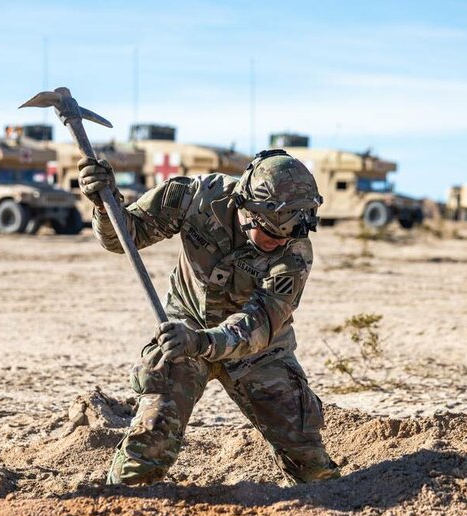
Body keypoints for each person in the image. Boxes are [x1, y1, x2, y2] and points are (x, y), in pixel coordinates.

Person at [78, 149, 340, 486]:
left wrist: (202, 341)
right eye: (273, 234)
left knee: (310, 464)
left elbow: (257, 324)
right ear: (247, 210)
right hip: (183, 338)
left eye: (288, 235)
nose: (280, 242)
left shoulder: (295, 253)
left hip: (257, 351)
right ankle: (124, 500)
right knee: (152, 437)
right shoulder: (196, 198)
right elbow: (124, 237)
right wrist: (105, 205)